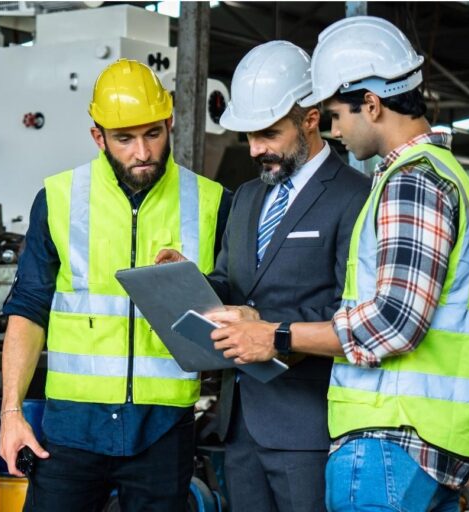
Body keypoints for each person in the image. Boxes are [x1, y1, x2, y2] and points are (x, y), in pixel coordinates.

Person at [210, 17, 469, 511]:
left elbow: (394, 321)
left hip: (392, 437)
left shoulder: (410, 182)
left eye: (337, 114)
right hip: (416, 441)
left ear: (372, 104)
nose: (335, 129)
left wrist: (275, 335)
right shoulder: (442, 177)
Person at [0, 58, 232, 512]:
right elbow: (28, 310)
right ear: (98, 137)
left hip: (163, 429)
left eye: (153, 134)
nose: (142, 152)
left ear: (170, 122)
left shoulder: (211, 202)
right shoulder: (59, 199)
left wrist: (195, 285)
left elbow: (235, 308)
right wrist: (12, 413)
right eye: (124, 139)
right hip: (70, 430)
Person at [157, 41, 369, 511]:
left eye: (268, 134)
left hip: (306, 422)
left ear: (310, 119)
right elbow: (230, 284)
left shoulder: (355, 197)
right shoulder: (248, 197)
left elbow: (353, 310)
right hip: (239, 422)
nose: (255, 149)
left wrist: (269, 329)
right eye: (248, 136)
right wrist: (187, 281)